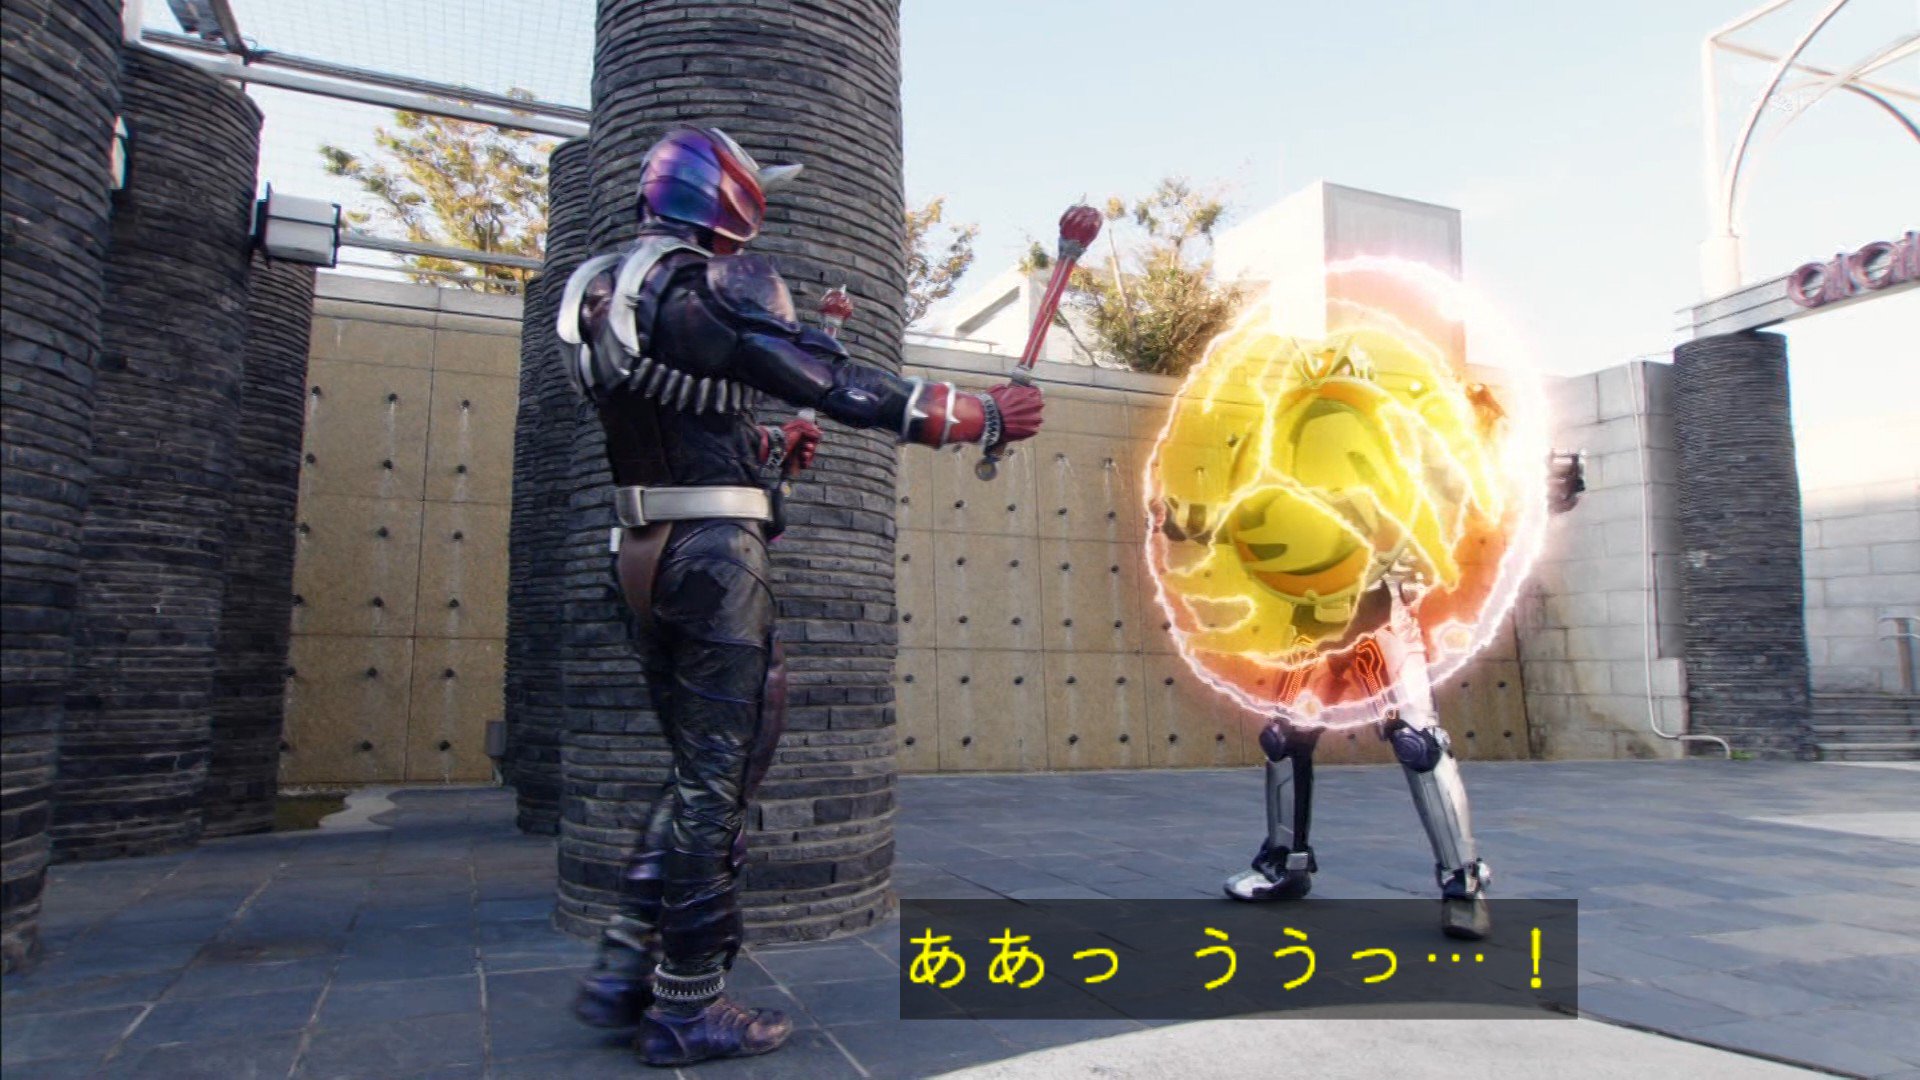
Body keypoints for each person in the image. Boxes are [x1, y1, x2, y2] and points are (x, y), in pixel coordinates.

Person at [556, 126, 1044, 1067]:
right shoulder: (699, 289)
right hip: (711, 560)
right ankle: (686, 1003)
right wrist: (976, 416)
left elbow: (677, 422)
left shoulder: (603, 291)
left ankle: (622, 965)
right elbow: (831, 378)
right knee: (722, 777)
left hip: (641, 547)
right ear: (729, 202)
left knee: (698, 771)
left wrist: (770, 450)